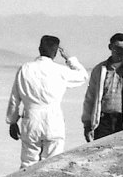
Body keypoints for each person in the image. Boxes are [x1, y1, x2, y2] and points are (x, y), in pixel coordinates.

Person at [6, 35, 85, 166]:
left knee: (28, 163)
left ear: (39, 48)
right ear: (56, 52)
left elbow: (15, 98)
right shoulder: (60, 70)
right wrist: (69, 59)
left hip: (31, 120)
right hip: (53, 121)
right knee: (52, 164)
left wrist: (12, 121)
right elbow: (82, 76)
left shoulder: (25, 69)